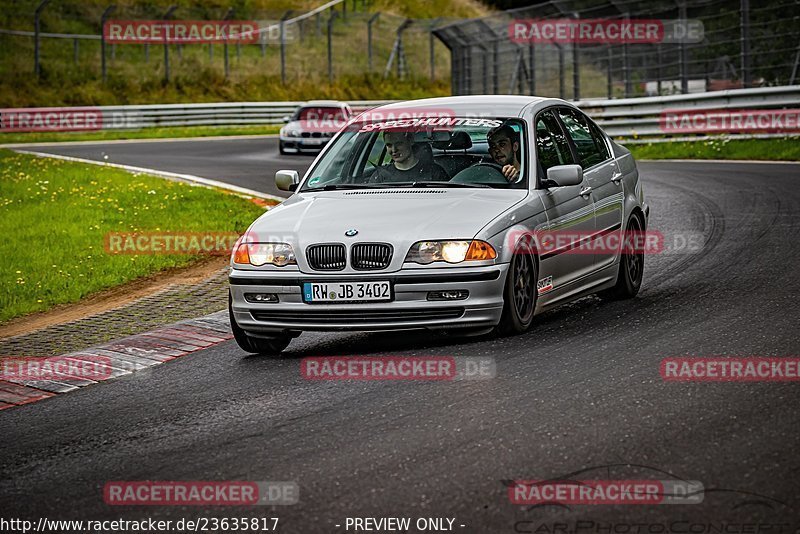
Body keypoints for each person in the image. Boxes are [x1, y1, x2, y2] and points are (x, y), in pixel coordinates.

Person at [369, 131, 449, 183]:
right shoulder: (380, 176)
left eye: (399, 144)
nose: (394, 150)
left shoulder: (435, 172)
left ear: (410, 141)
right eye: (389, 145)